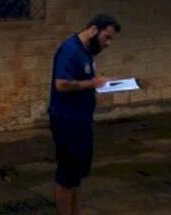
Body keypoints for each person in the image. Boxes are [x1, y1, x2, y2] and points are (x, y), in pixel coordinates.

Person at [47, 14, 121, 215]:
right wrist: (92, 84)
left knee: (77, 174)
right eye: (107, 37)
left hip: (81, 119)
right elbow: (61, 84)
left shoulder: (87, 52)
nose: (108, 43)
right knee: (67, 174)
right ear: (93, 30)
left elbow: (87, 78)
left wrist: (104, 83)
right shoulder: (70, 50)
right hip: (67, 120)